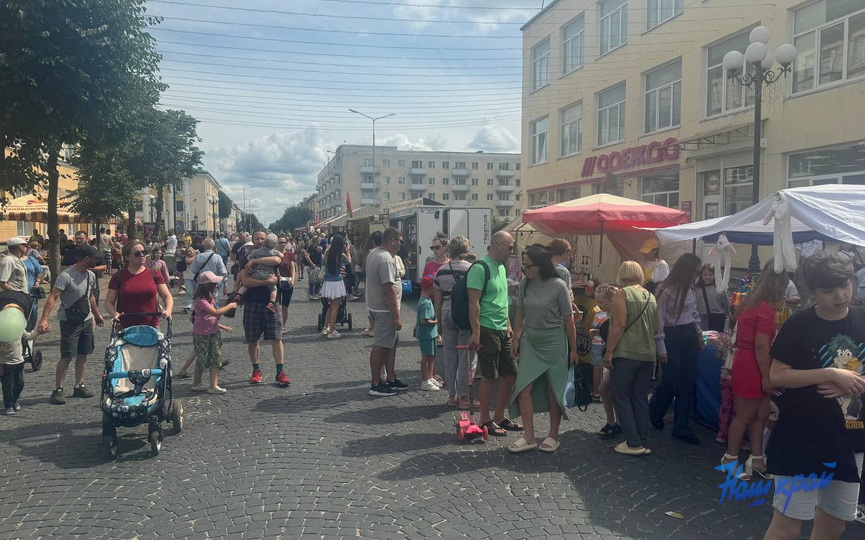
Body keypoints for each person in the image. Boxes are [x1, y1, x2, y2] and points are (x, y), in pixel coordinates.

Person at [764, 252, 865, 540]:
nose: (840, 295)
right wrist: (831, 374)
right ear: (813, 291)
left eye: (844, 285)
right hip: (803, 436)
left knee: (834, 523)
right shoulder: (799, 324)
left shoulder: (863, 317)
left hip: (851, 438)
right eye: (829, 290)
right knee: (788, 524)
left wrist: (853, 382)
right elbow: (777, 376)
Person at [720, 260, 788, 480]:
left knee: (760, 414)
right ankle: (730, 459)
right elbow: (761, 345)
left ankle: (756, 459)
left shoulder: (752, 304)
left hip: (749, 360)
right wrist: (768, 376)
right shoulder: (765, 309)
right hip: (753, 363)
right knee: (747, 415)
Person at [507, 247, 577, 453]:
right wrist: (516, 338)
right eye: (523, 265)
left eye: (528, 265)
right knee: (523, 388)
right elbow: (520, 312)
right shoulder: (525, 283)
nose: (524, 269)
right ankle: (529, 436)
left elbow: (569, 319)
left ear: (540, 266)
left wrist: (574, 350)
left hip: (554, 342)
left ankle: (553, 434)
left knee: (552, 389)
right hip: (532, 341)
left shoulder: (558, 285)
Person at [468, 231, 522, 437]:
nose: (512, 251)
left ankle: (499, 415)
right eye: (510, 247)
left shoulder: (501, 266)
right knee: (489, 374)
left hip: (501, 327)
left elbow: (502, 299)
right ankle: (485, 418)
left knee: (511, 372)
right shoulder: (480, 268)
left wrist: (508, 323)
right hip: (487, 327)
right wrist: (476, 332)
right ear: (498, 245)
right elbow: (473, 303)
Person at [604, 261, 660, 456]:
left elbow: (619, 324)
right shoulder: (650, 296)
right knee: (640, 397)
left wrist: (609, 351)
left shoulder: (623, 293)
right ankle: (642, 439)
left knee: (620, 395)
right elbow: (656, 328)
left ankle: (633, 442)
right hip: (647, 354)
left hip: (627, 352)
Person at [38, 246, 106, 405]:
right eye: (95, 258)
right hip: (69, 321)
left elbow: (91, 297)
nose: (97, 261)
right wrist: (44, 319)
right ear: (87, 258)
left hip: (86, 319)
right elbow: (53, 297)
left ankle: (79, 385)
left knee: (83, 354)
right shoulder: (66, 276)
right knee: (67, 355)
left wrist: (96, 314)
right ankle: (58, 389)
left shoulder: (91, 275)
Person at [649, 253, 703, 445]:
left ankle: (681, 427)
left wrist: (698, 333)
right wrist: (660, 346)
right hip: (671, 336)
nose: (697, 276)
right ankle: (654, 411)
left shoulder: (689, 287)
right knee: (670, 379)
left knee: (688, 381)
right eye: (695, 272)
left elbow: (693, 312)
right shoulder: (665, 289)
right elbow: (659, 320)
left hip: (688, 335)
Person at [239, 230, 290, 387]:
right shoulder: (245, 257)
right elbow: (245, 280)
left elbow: (277, 258)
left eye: (263, 238)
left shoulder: (258, 258)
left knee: (277, 337)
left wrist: (254, 262)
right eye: (257, 239)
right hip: (252, 302)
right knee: (253, 339)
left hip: (272, 303)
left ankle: (280, 372)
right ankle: (256, 370)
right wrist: (266, 282)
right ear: (252, 240)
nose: (260, 241)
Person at [365, 227, 408, 396]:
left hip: (377, 307)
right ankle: (376, 383)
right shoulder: (386, 259)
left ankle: (390, 378)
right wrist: (397, 316)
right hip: (385, 310)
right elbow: (388, 288)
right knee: (381, 345)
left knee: (389, 344)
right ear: (392, 241)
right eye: (400, 241)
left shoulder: (374, 253)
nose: (400, 245)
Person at [434, 236, 474, 407]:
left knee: (449, 356)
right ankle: (465, 396)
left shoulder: (441, 270)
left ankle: (452, 395)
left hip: (446, 312)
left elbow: (438, 298)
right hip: (465, 314)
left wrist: (439, 321)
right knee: (465, 356)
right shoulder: (472, 269)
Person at [103, 240, 173, 329]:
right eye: (137, 254)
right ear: (127, 257)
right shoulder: (118, 276)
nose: (142, 255)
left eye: (144, 252)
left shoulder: (154, 273)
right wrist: (115, 314)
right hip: (125, 326)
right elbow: (109, 302)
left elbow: (167, 296)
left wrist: (168, 310)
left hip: (151, 326)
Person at [190, 271, 238, 395]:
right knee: (203, 358)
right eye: (213, 283)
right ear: (206, 285)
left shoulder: (209, 296)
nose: (216, 284)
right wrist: (231, 305)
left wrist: (222, 326)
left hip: (212, 330)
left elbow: (212, 317)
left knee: (215, 357)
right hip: (202, 333)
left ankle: (212, 384)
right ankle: (199, 384)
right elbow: (215, 313)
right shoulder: (201, 300)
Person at [1, 302, 47, 414]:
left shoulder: (19, 328)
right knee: (8, 386)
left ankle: (15, 400)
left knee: (20, 383)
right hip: (6, 363)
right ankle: (9, 405)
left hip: (19, 361)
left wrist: (38, 332)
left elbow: (29, 336)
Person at [592, 284, 620, 438]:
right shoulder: (608, 315)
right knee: (607, 390)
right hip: (610, 357)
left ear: (611, 300)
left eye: (601, 302)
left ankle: (614, 423)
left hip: (614, 358)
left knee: (609, 390)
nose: (598, 305)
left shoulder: (616, 316)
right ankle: (613, 422)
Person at [320, 235, 349, 338]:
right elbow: (348, 261)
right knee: (335, 307)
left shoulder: (327, 253)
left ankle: (325, 327)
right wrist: (348, 250)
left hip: (328, 282)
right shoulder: (341, 255)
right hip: (336, 282)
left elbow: (322, 262)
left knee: (330, 306)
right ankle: (332, 330)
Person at [415, 276, 441, 391]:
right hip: (427, 334)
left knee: (431, 356)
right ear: (429, 288)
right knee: (426, 357)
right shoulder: (425, 302)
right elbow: (424, 320)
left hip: (431, 333)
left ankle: (430, 377)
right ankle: (425, 380)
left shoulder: (427, 300)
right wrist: (436, 321)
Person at [190, 238, 229, 307]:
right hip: (215, 282)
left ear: (203, 247)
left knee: (203, 300)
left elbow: (193, 270)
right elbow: (223, 272)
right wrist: (225, 284)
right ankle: (214, 314)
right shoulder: (217, 257)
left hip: (202, 282)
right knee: (214, 300)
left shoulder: (199, 257)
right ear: (214, 247)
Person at [695, 264, 730, 332]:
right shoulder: (697, 289)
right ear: (701, 275)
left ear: (715, 275)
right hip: (702, 317)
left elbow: (726, 304)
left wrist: (727, 315)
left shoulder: (720, 289)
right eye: (705, 275)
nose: (708, 277)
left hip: (717, 317)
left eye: (710, 275)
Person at [276, 236, 296, 331]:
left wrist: (293, 279)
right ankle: (277, 324)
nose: (282, 244)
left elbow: (292, 267)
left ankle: (282, 326)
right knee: (277, 305)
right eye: (280, 242)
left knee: (285, 306)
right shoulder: (273, 254)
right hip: (276, 283)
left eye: (284, 242)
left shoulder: (290, 254)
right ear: (277, 243)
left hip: (287, 282)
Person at [181, 247, 198, 313]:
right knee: (189, 291)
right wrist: (195, 255)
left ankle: (197, 305)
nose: (190, 253)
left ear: (194, 251)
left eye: (191, 251)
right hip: (188, 276)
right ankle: (188, 306)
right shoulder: (187, 258)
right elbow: (188, 262)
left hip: (196, 276)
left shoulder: (198, 257)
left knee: (197, 292)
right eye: (188, 252)